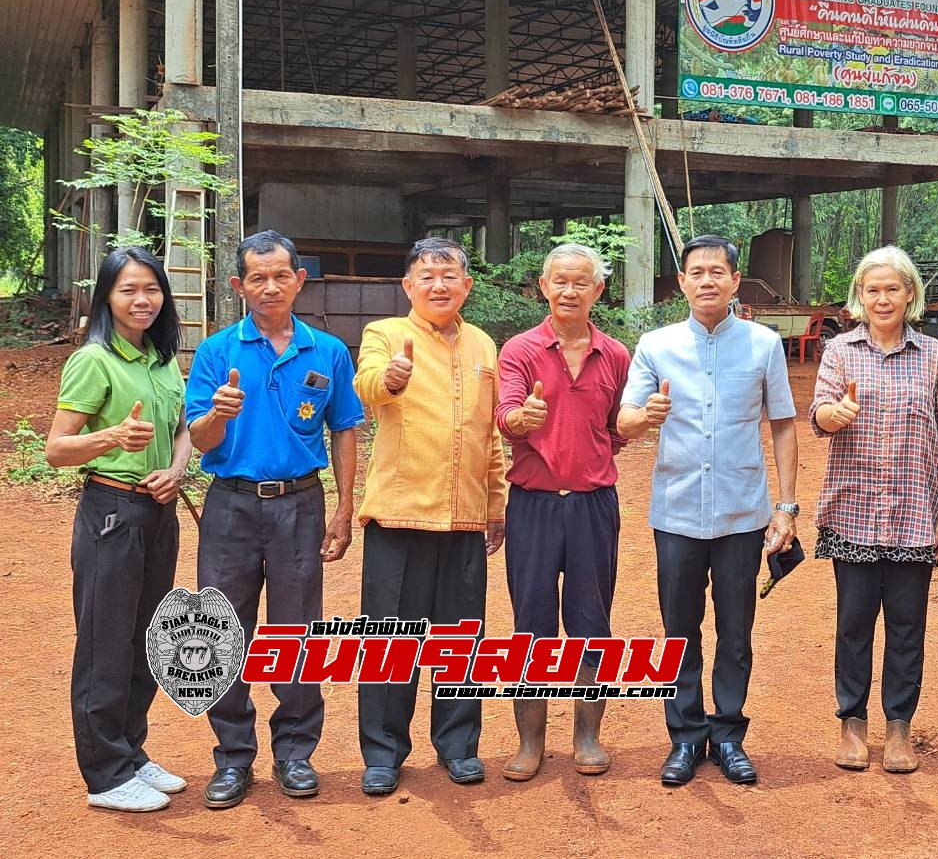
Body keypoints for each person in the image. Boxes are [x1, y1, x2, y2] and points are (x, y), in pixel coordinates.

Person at [185, 230, 364, 809]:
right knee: (221, 630)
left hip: (300, 504)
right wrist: (217, 414)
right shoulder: (217, 352)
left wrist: (343, 507)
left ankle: (294, 752)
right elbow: (198, 436)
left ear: (299, 279)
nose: (270, 286)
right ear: (238, 285)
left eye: (280, 274)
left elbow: (344, 429)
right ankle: (233, 758)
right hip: (230, 504)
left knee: (296, 630)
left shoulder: (328, 351)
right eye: (256, 277)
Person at [618, 235, 799, 787]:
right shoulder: (656, 345)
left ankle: (728, 735)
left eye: (717, 271)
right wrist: (646, 414)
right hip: (675, 514)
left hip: (743, 513)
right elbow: (623, 423)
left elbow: (784, 424)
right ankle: (685, 737)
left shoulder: (764, 344)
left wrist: (785, 506)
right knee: (680, 630)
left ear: (734, 281)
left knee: (736, 630)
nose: (707, 281)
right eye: (696, 272)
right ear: (682, 283)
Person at [354, 237, 509, 796]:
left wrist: (495, 504)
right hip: (400, 515)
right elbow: (368, 384)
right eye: (427, 275)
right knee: (389, 638)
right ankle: (383, 751)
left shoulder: (485, 346)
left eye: (449, 276)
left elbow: (490, 433)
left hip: (465, 516)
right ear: (408, 285)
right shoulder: (386, 335)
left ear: (467, 286)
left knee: (463, 639)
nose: (438, 285)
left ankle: (458, 746)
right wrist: (391, 378)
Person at [46, 247, 192, 812]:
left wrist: (177, 470)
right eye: (129, 289)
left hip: (159, 512)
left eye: (151, 289)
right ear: (107, 295)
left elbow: (181, 430)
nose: (142, 300)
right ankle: (105, 773)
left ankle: (130, 751)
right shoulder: (93, 359)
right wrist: (111, 439)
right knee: (105, 642)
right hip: (110, 513)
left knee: (144, 640)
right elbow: (57, 448)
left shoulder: (161, 359)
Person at [810, 246, 938, 774]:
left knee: (906, 624)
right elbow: (820, 416)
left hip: (916, 514)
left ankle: (899, 727)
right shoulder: (840, 353)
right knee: (853, 623)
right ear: (859, 296)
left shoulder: (934, 357)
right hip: (852, 511)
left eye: (892, 289)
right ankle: (852, 724)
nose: (882, 298)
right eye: (872, 289)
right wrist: (837, 413)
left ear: (910, 295)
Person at [494, 242, 631, 782]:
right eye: (560, 281)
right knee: (531, 623)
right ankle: (530, 743)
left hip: (594, 505)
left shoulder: (616, 355)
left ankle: (587, 737)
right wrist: (521, 420)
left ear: (598, 291)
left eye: (582, 282)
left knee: (591, 620)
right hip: (532, 504)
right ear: (544, 288)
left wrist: (592, 457)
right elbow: (505, 414)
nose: (569, 291)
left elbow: (617, 426)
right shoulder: (521, 350)